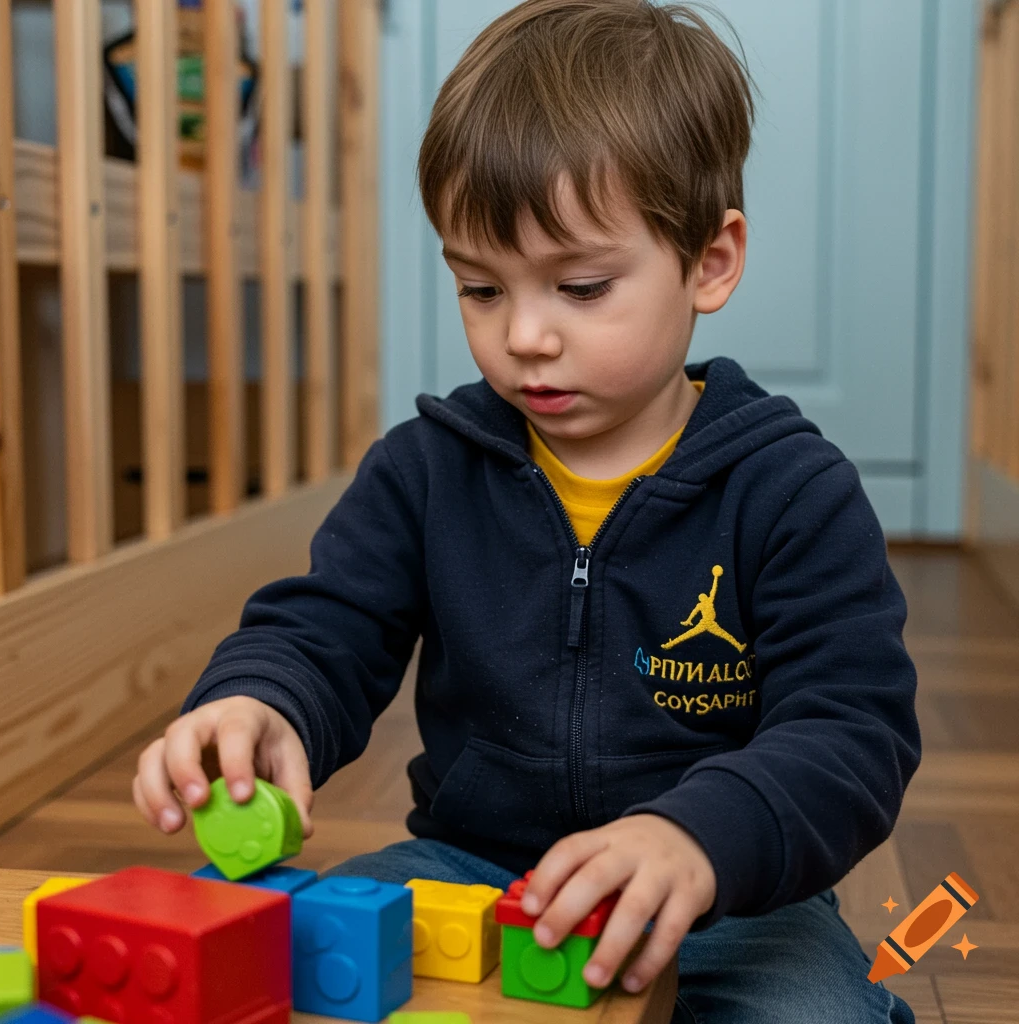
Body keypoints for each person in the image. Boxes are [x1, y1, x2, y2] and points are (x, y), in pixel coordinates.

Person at [132, 3, 920, 1021]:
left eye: (581, 286)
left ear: (709, 262)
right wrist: (258, 702)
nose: (526, 336)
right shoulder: (425, 471)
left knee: (816, 1011)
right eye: (480, 288)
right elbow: (326, 625)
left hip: (722, 898)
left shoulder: (792, 492)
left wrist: (698, 837)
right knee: (310, 965)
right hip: (469, 868)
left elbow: (851, 732)